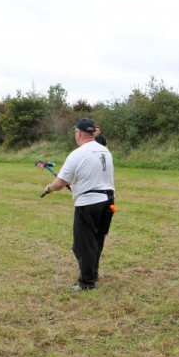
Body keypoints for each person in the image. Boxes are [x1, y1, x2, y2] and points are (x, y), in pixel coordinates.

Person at [43, 118, 115, 291]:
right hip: (109, 202)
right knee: (97, 239)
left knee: (83, 244)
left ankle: (87, 282)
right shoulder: (105, 151)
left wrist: (50, 188)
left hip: (88, 204)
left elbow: (60, 183)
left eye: (76, 132)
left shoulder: (77, 154)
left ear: (80, 134)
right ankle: (93, 273)